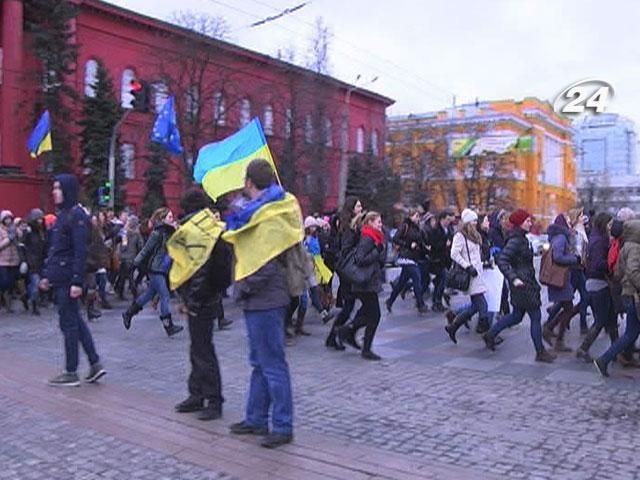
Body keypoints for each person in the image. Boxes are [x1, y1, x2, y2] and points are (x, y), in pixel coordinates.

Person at [228, 159, 294, 449]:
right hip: (260, 301)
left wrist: (242, 288)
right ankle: (255, 418)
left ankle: (282, 425)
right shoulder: (260, 212)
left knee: (273, 364)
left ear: (249, 182)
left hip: (265, 300)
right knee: (260, 362)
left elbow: (265, 265)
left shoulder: (266, 216)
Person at [40, 174, 106, 386]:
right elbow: (56, 250)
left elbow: (79, 251)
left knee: (68, 324)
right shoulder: (64, 214)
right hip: (61, 277)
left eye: (58, 188)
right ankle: (95, 363)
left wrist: (77, 281)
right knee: (75, 322)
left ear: (67, 190)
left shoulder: (76, 215)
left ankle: (71, 371)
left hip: (69, 278)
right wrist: (47, 275)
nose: (54, 191)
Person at [174, 189, 232, 421]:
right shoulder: (208, 228)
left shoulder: (199, 232)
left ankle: (213, 399)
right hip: (206, 297)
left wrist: (192, 300)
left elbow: (199, 270)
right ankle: (196, 394)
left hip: (202, 299)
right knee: (197, 347)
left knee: (203, 350)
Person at [482, 209, 556, 363]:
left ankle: (490, 334)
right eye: (527, 221)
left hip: (524, 282)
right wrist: (513, 278)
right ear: (519, 223)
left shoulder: (521, 238)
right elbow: (503, 260)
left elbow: (520, 259)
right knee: (535, 316)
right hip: (523, 284)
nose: (530, 223)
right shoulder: (516, 240)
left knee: (516, 316)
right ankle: (540, 352)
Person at [122, 207, 184, 337]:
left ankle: (128, 313)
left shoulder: (170, 232)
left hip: (163, 268)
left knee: (149, 294)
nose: (172, 220)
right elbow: (145, 250)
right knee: (165, 295)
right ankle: (168, 325)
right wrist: (134, 264)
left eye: (172, 217)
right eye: (170, 217)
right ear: (162, 220)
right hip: (156, 268)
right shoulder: (157, 233)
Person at [336, 211, 387, 360]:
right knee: (374, 316)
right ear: (370, 222)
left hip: (368, 283)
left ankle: (346, 331)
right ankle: (365, 348)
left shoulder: (374, 238)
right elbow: (360, 258)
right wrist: (377, 252)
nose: (381, 224)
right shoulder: (368, 238)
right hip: (365, 284)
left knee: (367, 314)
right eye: (378, 222)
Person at [594, 219, 640, 377]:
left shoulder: (625, 247)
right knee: (631, 333)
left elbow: (618, 272)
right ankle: (605, 360)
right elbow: (633, 271)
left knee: (631, 333)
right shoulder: (635, 248)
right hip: (635, 295)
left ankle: (604, 360)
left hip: (628, 294)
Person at [576, 212, 618, 362]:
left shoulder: (598, 238)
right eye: (609, 225)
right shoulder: (599, 241)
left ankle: (615, 350)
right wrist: (612, 265)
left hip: (600, 283)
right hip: (598, 283)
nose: (611, 228)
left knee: (612, 319)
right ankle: (583, 349)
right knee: (600, 321)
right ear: (603, 224)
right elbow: (597, 264)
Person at [444, 209, 488, 344]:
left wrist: (484, 262)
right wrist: (467, 266)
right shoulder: (460, 236)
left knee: (475, 307)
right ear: (468, 222)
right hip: (470, 275)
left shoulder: (474, 235)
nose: (476, 223)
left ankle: (453, 327)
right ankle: (487, 332)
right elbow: (454, 254)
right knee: (483, 305)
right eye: (474, 220)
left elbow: (476, 254)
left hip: (478, 273)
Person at [325, 196, 363, 350]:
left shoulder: (351, 224)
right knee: (349, 306)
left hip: (348, 269)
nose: (361, 208)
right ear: (352, 208)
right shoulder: (348, 226)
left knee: (350, 305)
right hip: (348, 269)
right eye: (358, 206)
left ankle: (335, 336)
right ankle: (336, 335)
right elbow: (346, 248)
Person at [542, 214, 580, 352]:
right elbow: (557, 257)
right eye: (568, 221)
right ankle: (552, 333)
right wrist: (574, 259)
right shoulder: (561, 237)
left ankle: (553, 333)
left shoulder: (559, 236)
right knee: (569, 309)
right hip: (560, 278)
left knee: (568, 308)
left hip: (562, 278)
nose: (570, 224)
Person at [385, 208, 429, 314]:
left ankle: (390, 301)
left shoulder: (418, 228)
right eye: (416, 216)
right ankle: (420, 304)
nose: (418, 218)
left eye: (419, 216)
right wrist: (408, 244)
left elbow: (419, 241)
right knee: (417, 279)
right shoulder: (405, 226)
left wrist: (425, 248)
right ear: (410, 216)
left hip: (414, 257)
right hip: (406, 257)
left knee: (402, 282)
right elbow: (395, 238)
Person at [429, 210, 455, 311]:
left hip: (445, 259)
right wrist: (445, 243)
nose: (449, 221)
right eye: (447, 219)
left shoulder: (448, 229)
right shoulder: (436, 230)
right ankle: (437, 301)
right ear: (442, 219)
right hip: (437, 259)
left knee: (440, 281)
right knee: (443, 279)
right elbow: (433, 244)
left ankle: (436, 301)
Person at [23, 209, 47, 315]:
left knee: (38, 284)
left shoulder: (42, 232)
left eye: (41, 219)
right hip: (32, 261)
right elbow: (24, 247)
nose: (40, 222)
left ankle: (26, 296)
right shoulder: (28, 233)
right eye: (38, 220)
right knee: (35, 283)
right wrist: (26, 260)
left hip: (41, 261)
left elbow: (45, 246)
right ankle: (34, 305)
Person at [115, 215, 144, 300]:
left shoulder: (124, 232)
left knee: (122, 276)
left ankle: (120, 292)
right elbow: (140, 246)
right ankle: (134, 293)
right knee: (129, 277)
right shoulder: (137, 234)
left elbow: (118, 240)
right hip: (131, 258)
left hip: (122, 257)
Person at [0, 210, 20, 312]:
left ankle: (8, 305)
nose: (8, 221)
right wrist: (8, 239)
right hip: (2, 261)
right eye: (6, 219)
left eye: (10, 218)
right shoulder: (0, 230)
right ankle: (2, 298)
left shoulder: (14, 229)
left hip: (14, 260)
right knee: (4, 282)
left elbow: (21, 239)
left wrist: (18, 231)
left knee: (11, 284)